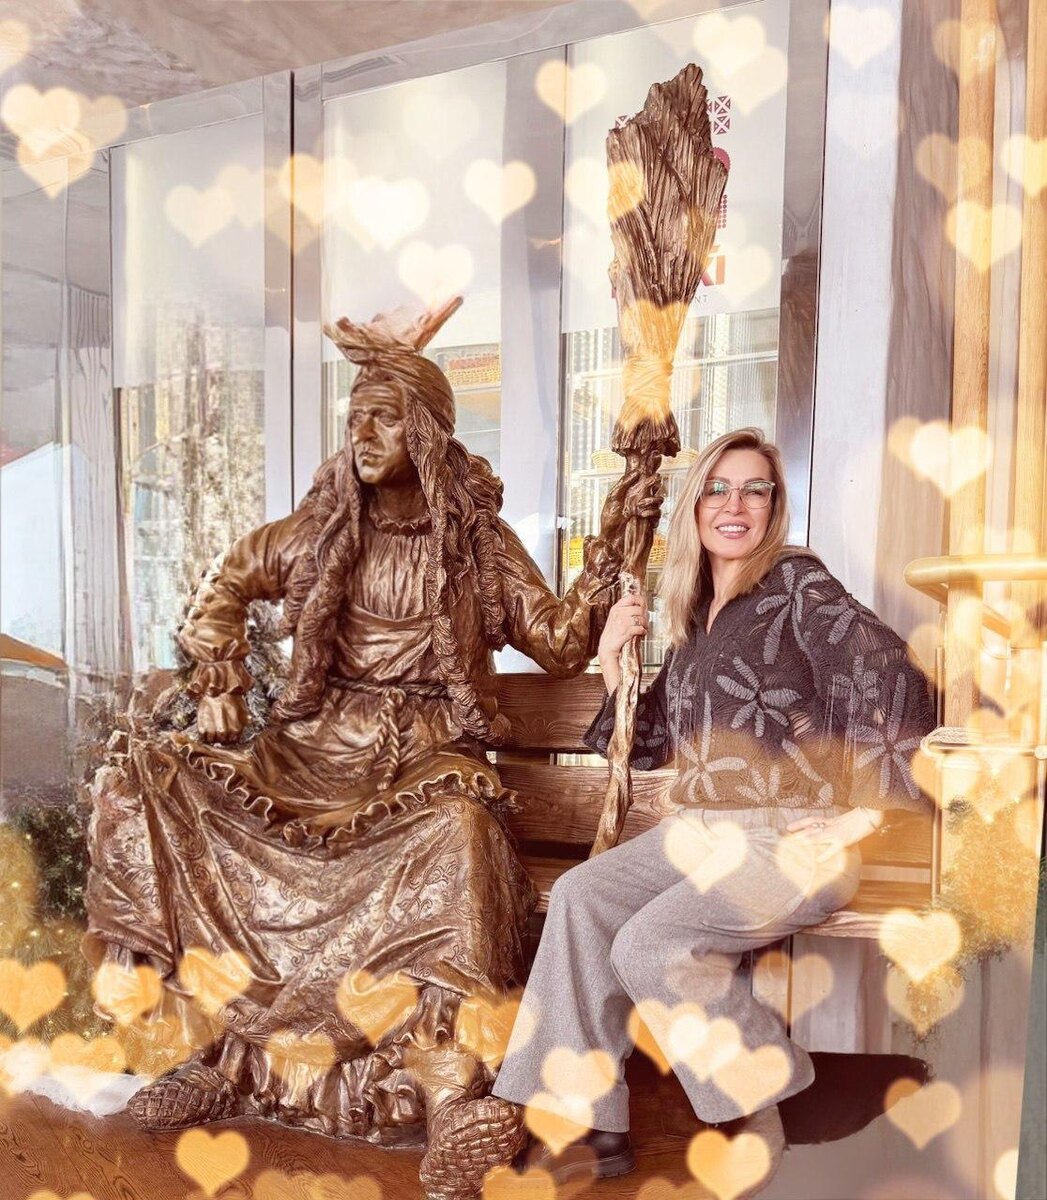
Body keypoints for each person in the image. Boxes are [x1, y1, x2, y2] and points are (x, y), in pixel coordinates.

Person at [83, 300, 662, 1199]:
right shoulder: (323, 529)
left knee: (457, 835)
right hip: (313, 752)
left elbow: (554, 642)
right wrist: (220, 684)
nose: (362, 435)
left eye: (384, 418)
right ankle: (218, 1054)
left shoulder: (475, 543)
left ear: (425, 431)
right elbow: (226, 583)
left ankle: (450, 1095)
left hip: (426, 754)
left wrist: (610, 563)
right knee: (155, 781)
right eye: (355, 418)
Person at [490, 426, 937, 1187]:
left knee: (650, 945)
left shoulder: (795, 583)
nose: (735, 504)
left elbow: (890, 672)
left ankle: (777, 1100)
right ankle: (591, 1123)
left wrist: (863, 815)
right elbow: (652, 739)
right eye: (718, 489)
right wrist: (612, 662)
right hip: (695, 835)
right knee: (579, 896)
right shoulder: (698, 610)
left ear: (773, 505)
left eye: (754, 489)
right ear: (695, 506)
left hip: (785, 842)